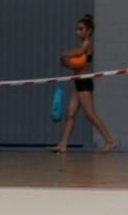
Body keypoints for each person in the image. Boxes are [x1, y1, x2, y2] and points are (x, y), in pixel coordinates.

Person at [50, 14, 117, 155]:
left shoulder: (87, 44)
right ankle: (63, 144)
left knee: (90, 114)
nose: (77, 32)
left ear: (89, 31)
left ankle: (110, 141)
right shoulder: (82, 46)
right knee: (70, 113)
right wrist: (66, 64)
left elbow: (78, 52)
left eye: (80, 29)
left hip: (85, 83)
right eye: (76, 29)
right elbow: (77, 68)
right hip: (77, 82)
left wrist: (66, 54)